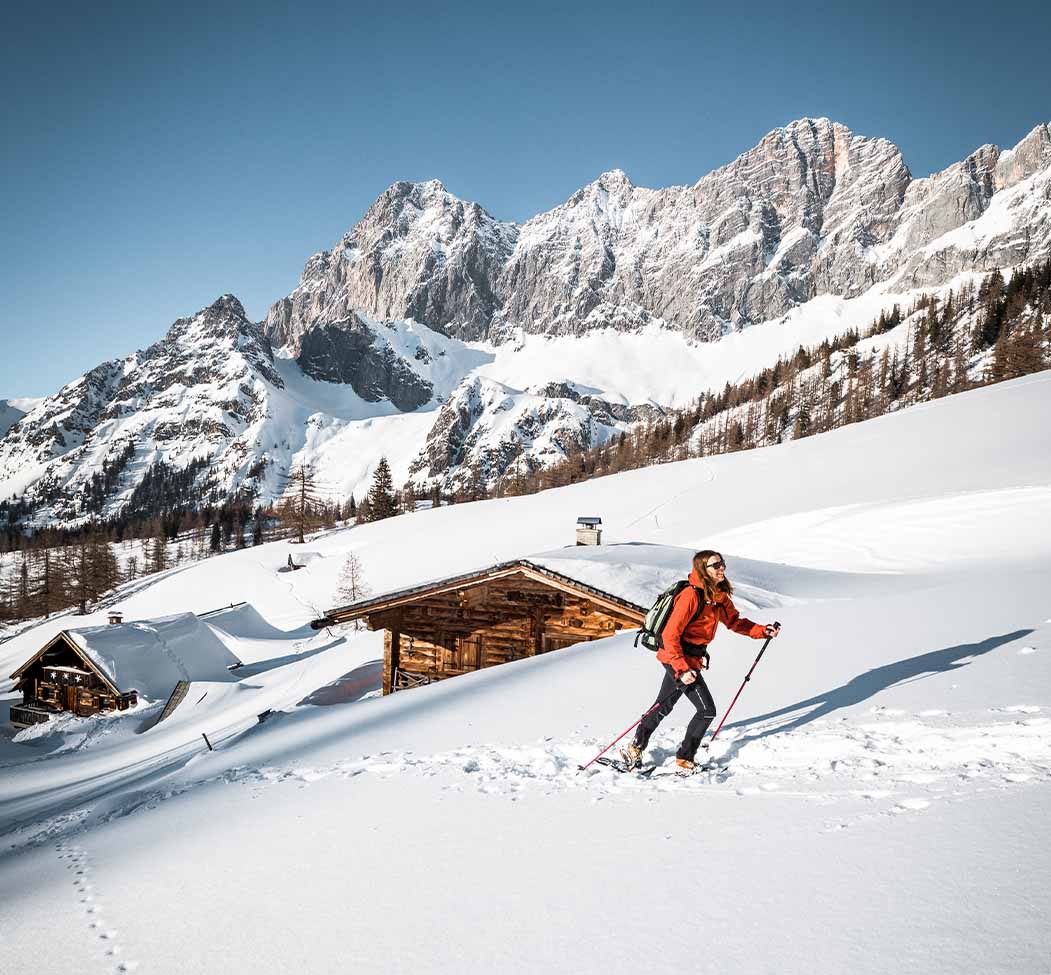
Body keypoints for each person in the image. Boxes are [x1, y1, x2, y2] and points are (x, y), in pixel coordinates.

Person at [624, 550, 780, 771]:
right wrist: (681, 669)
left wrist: (763, 631)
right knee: (706, 710)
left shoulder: (718, 596)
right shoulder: (690, 596)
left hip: (692, 660)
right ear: (702, 570)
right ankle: (684, 758)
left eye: (722, 563)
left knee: (664, 704)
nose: (721, 568)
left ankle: (636, 747)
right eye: (715, 565)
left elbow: (735, 622)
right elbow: (670, 636)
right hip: (677, 658)